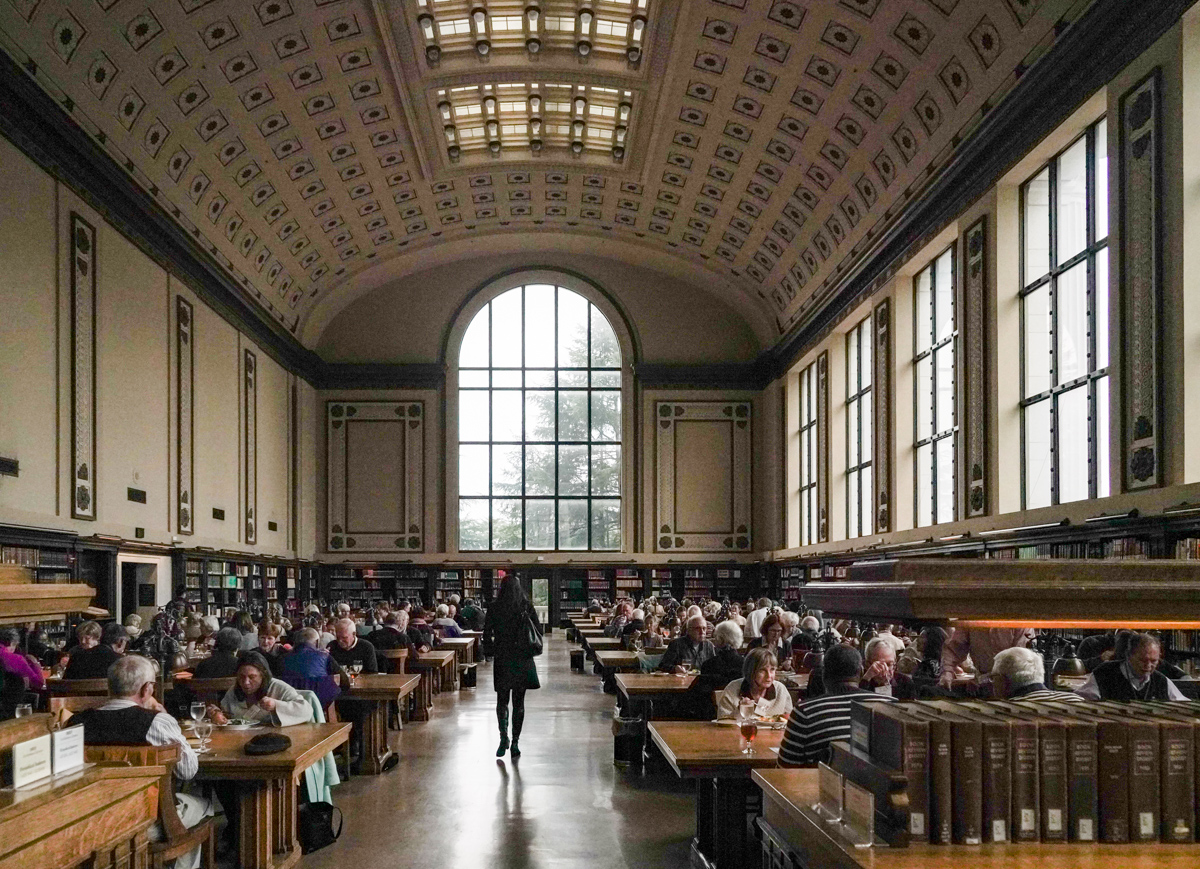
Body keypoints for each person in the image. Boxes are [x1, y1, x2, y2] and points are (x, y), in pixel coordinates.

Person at [69, 655, 211, 869]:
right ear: (147, 689)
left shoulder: (76, 722)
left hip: (90, 820)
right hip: (147, 819)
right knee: (204, 806)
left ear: (109, 688)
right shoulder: (156, 722)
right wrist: (165, 718)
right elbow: (188, 770)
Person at [778, 645, 896, 767]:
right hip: (874, 784)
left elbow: (785, 769)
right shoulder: (891, 706)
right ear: (861, 671)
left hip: (820, 784)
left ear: (823, 674)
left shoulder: (805, 712)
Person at [483, 574, 542, 759]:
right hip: (522, 657)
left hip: (503, 657)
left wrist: (490, 651)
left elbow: (487, 633)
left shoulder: (494, 607)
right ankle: (516, 742)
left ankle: (503, 739)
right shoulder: (526, 606)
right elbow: (538, 630)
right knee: (519, 702)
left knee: (502, 700)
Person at [1077, 631, 1186, 701]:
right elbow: (1079, 701)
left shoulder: (1161, 681)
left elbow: (1184, 705)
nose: (1148, 666)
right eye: (1142, 660)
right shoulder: (1104, 674)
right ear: (1128, 656)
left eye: (1153, 661)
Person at [939, 627, 1035, 687]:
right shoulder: (972, 615)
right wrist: (947, 672)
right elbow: (955, 648)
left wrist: (985, 680)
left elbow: (1019, 662)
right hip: (981, 686)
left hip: (1012, 687)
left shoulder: (1019, 619)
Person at [717, 647, 794, 720]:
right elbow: (723, 724)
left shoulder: (780, 690)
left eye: (772, 670)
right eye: (763, 670)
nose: (769, 676)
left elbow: (790, 721)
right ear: (751, 671)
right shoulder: (733, 688)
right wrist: (739, 712)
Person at [279, 628, 344, 710]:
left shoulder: (282, 659)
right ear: (317, 642)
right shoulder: (324, 657)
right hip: (320, 705)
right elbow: (344, 681)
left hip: (290, 707)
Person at [991, 646, 1085, 702]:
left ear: (1001, 680)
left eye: (993, 677)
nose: (992, 682)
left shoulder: (1008, 710)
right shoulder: (1076, 700)